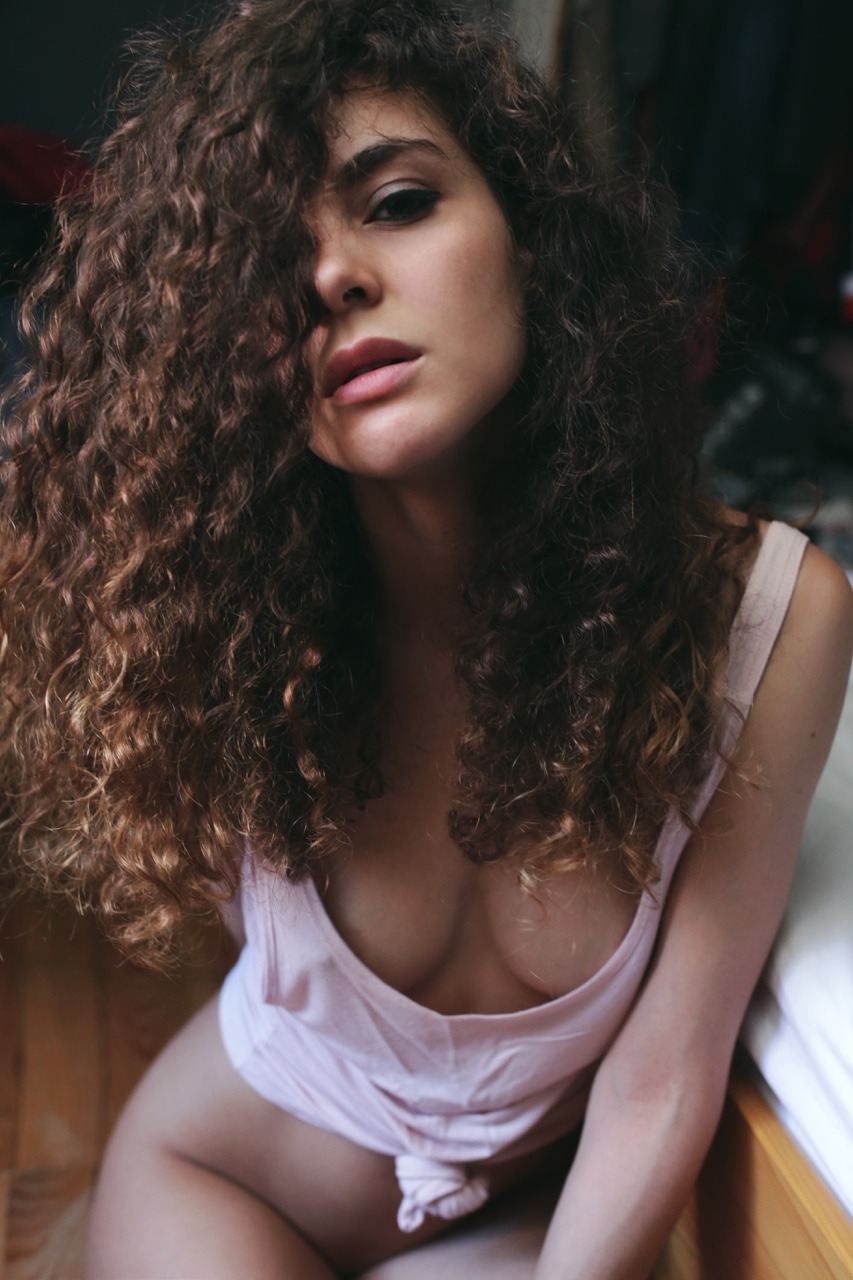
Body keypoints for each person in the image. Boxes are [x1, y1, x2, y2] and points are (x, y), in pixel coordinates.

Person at [1, 1, 851, 1276]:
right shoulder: (225, 623)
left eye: (396, 202)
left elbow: (660, 1076)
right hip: (222, 1174)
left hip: (506, 1221)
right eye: (263, 261)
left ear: (533, 241)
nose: (330, 277)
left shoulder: (768, 622)